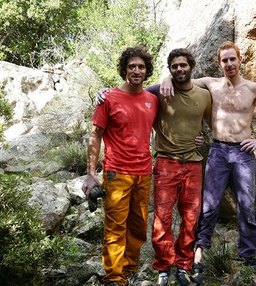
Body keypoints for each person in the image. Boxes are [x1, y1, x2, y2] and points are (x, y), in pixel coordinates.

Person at [160, 41, 256, 283]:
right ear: (219, 63)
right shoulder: (210, 84)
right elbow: (181, 79)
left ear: (240, 61)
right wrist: (167, 78)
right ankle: (198, 255)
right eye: (224, 60)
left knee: (246, 206)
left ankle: (250, 256)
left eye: (232, 59)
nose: (229, 64)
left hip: (242, 153)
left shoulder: (253, 89)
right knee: (208, 207)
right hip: (218, 152)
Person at [97, 48, 211, 286]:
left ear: (191, 66)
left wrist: (201, 137)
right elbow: (127, 96)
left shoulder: (200, 95)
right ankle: (151, 269)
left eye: (183, 65)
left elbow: (208, 118)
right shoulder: (156, 93)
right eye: (174, 67)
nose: (179, 69)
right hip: (157, 165)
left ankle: (181, 264)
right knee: (160, 220)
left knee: (187, 218)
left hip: (184, 166)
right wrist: (102, 93)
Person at [81, 46, 159, 286]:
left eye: (141, 67)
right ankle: (114, 278)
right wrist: (91, 174)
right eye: (132, 66)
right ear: (124, 69)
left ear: (147, 71)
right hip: (117, 173)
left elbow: (162, 129)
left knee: (138, 226)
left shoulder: (152, 100)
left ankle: (130, 269)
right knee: (115, 228)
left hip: (144, 173)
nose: (136, 70)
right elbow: (95, 136)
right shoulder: (108, 99)